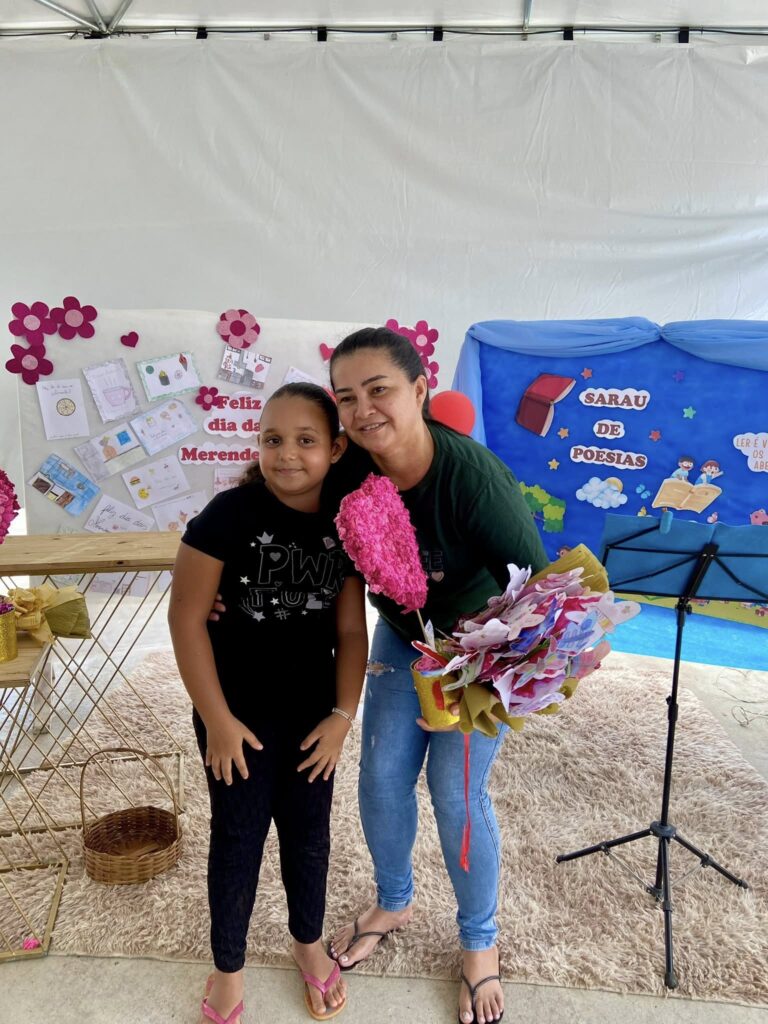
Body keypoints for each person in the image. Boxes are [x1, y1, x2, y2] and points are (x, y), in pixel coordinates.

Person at [324, 328, 548, 1024]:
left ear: (420, 390)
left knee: (456, 795)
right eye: (346, 398)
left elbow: (540, 594)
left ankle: (480, 940)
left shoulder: (472, 480)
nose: (363, 411)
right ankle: (394, 902)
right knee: (380, 777)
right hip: (402, 636)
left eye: (379, 390)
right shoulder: (349, 474)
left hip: (484, 645)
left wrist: (479, 680)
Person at [169, 382, 368, 1024]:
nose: (286, 454)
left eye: (306, 440)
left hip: (314, 717)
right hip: (236, 716)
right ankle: (228, 967)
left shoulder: (347, 526)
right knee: (238, 837)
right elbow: (185, 619)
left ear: (336, 448)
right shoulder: (227, 515)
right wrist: (218, 721)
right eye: (272, 439)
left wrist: (342, 718)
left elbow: (350, 632)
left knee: (309, 836)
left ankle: (307, 942)